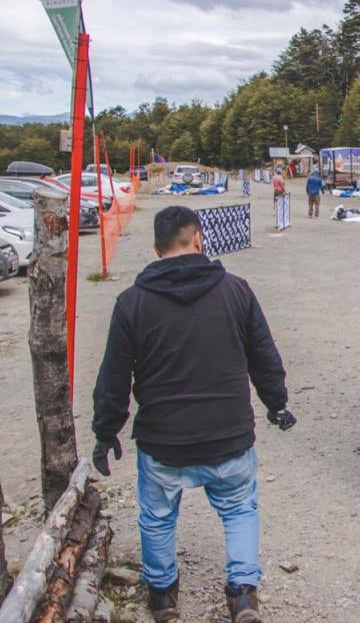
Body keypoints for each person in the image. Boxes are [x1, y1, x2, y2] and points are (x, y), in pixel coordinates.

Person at [91, 206, 297, 623]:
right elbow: (264, 357)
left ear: (156, 249)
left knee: (157, 517)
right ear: (199, 239)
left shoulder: (131, 302)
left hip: (164, 441)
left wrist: (105, 431)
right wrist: (277, 404)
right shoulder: (237, 290)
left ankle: (164, 598)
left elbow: (113, 376)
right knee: (240, 509)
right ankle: (242, 595)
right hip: (230, 435)